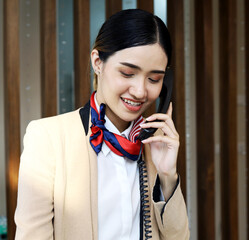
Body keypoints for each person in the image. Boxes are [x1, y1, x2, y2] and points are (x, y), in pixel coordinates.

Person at [14, 9, 189, 240]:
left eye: (154, 79)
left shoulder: (155, 145)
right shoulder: (47, 138)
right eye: (127, 73)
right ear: (98, 62)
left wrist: (167, 176)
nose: (139, 91)